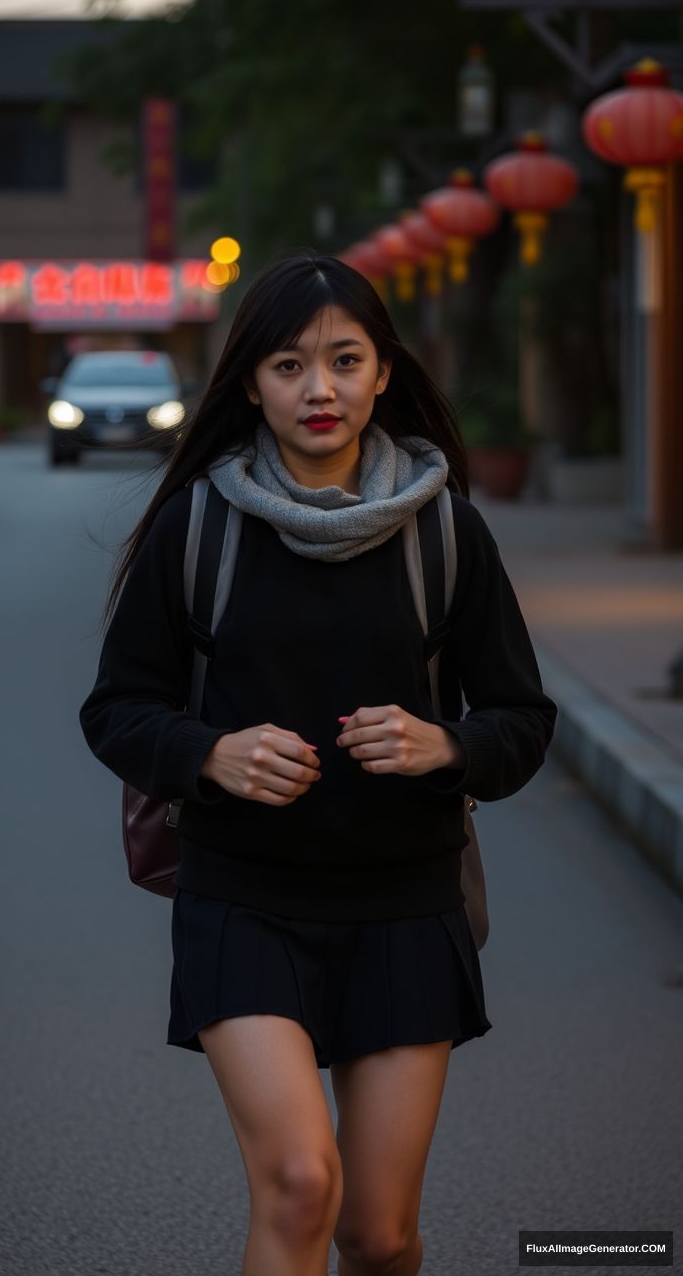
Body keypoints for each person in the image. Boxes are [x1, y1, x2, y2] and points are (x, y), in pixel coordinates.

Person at [79, 251, 557, 1276]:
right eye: (290, 366)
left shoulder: (446, 534)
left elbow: (522, 717)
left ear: (385, 370)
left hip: (405, 903)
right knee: (300, 1182)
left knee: (378, 1237)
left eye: (345, 360)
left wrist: (449, 746)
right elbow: (116, 711)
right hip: (242, 900)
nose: (320, 389)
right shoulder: (195, 528)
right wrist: (208, 753)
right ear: (251, 381)